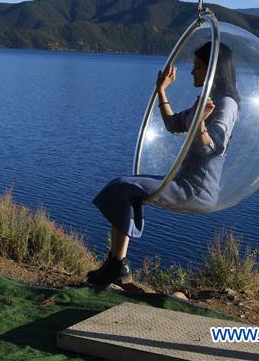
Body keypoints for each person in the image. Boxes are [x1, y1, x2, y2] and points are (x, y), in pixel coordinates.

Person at [87, 42, 240, 286]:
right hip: (183, 181)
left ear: (214, 70)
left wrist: (200, 121)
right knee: (122, 187)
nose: (192, 72)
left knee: (123, 188)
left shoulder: (226, 104)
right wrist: (162, 90)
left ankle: (117, 266)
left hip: (197, 189)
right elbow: (173, 124)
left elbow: (211, 149)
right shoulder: (207, 100)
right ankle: (116, 264)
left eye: (198, 66)